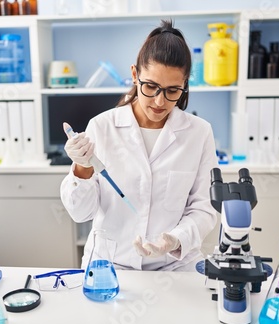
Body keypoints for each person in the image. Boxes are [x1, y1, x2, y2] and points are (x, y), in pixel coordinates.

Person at [60, 19, 218, 271]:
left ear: (185, 84)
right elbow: (81, 213)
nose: (159, 101)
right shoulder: (102, 127)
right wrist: (82, 169)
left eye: (172, 90)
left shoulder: (199, 133)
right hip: (111, 263)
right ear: (135, 75)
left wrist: (176, 239)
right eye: (151, 86)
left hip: (175, 265)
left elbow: (205, 207)